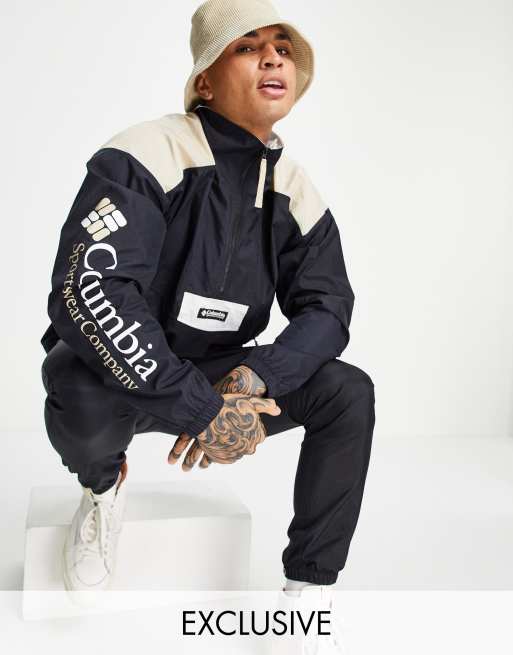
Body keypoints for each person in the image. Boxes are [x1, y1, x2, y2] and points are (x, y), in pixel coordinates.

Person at [41, 0, 375, 649]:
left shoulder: (294, 189)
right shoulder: (146, 152)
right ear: (205, 81)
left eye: (283, 48)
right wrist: (199, 410)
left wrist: (255, 377)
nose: (273, 57)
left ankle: (308, 591)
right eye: (247, 47)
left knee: (347, 392)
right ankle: (103, 489)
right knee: (74, 382)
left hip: (226, 380)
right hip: (126, 373)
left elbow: (328, 307)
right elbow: (90, 288)